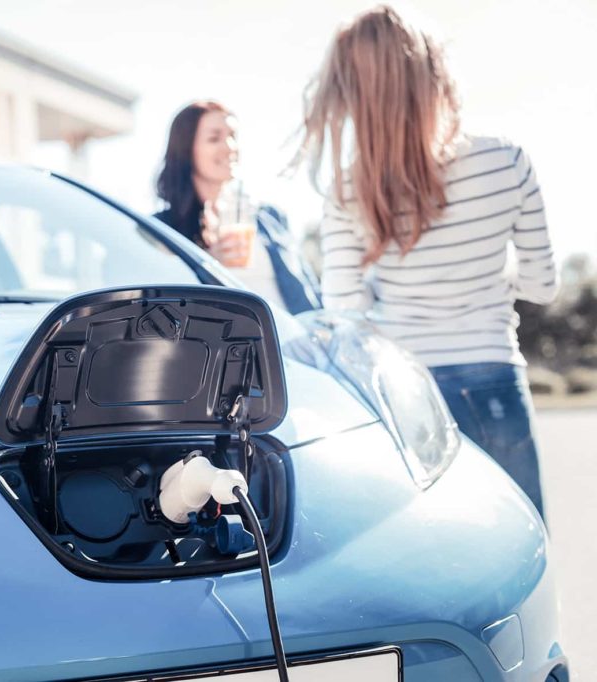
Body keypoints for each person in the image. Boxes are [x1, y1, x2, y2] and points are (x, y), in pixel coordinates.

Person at [298, 6, 557, 518]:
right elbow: (544, 286)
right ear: (434, 70)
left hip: (407, 394)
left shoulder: (347, 189)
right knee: (524, 541)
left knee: (439, 553)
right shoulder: (505, 160)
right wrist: (490, 277)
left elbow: (346, 314)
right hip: (493, 376)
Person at [154, 100, 321, 315]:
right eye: (214, 138)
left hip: (292, 342)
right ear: (186, 149)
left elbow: (309, 289)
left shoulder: (270, 218)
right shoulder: (163, 230)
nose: (230, 147)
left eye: (233, 136)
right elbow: (162, 305)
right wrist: (209, 265)